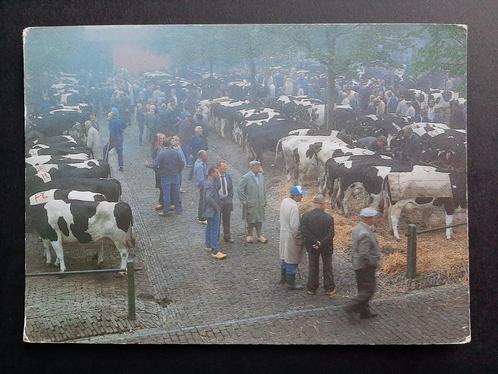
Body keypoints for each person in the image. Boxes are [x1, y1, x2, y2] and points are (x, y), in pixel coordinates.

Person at [343, 207, 380, 319]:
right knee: (369, 290)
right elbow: (365, 253)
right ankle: (351, 306)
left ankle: (365, 312)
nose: (374, 219)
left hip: (358, 264)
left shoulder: (357, 228)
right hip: (365, 266)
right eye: (373, 217)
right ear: (368, 218)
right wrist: (373, 262)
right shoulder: (365, 233)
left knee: (362, 289)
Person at [300, 194, 336, 296]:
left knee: (313, 266)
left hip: (312, 245)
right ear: (322, 204)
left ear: (314, 204)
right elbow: (331, 234)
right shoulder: (328, 218)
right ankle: (329, 288)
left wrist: (314, 241)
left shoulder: (305, 216)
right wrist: (321, 242)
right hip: (326, 246)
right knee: (327, 267)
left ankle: (312, 288)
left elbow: (303, 230)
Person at [145, 137, 184, 216]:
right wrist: (178, 171)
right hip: (175, 176)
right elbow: (182, 164)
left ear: (163, 145)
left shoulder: (162, 153)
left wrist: (147, 165)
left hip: (165, 176)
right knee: (176, 193)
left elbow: (155, 165)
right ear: (170, 144)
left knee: (166, 194)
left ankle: (166, 211)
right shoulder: (176, 153)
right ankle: (178, 209)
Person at [279, 185, 305, 290]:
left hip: (283, 233)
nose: (302, 197)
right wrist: (300, 238)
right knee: (292, 259)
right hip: (291, 236)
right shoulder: (294, 207)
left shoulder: (284, 201)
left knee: (284, 256)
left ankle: (283, 278)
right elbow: (295, 226)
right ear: (295, 196)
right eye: (300, 195)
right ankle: (291, 283)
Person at [237, 160, 268, 244]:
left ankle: (259, 235)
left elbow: (263, 189)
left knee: (259, 218)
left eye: (259, 166)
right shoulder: (246, 177)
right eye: (256, 166)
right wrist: (244, 200)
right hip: (250, 202)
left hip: (260, 202)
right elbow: (239, 189)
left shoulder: (261, 176)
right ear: (251, 168)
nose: (258, 168)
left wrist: (265, 199)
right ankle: (249, 235)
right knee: (250, 219)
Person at [202, 166, 227, 260]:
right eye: (216, 172)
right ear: (212, 173)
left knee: (209, 227)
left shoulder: (209, 182)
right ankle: (215, 250)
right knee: (214, 229)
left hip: (209, 210)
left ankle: (208, 245)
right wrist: (217, 206)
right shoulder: (210, 184)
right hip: (213, 210)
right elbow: (208, 198)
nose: (218, 174)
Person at [214, 160, 234, 243]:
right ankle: (216, 238)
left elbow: (231, 188)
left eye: (225, 168)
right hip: (217, 201)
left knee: (227, 220)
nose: (224, 169)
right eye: (222, 168)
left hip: (227, 201)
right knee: (216, 221)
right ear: (218, 168)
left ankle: (227, 236)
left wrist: (229, 198)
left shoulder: (228, 176)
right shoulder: (215, 177)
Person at [150, 133, 167, 211]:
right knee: (161, 187)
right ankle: (162, 202)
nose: (162, 140)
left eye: (163, 138)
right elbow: (154, 157)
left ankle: (164, 202)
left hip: (166, 170)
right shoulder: (156, 148)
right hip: (159, 171)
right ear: (158, 139)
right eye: (161, 138)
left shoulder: (167, 147)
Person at [194, 150, 209, 224]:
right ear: (201, 156)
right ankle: (202, 218)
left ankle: (201, 216)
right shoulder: (200, 165)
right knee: (203, 202)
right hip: (204, 186)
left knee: (202, 201)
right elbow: (201, 180)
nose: (207, 156)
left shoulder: (201, 163)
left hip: (204, 185)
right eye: (205, 155)